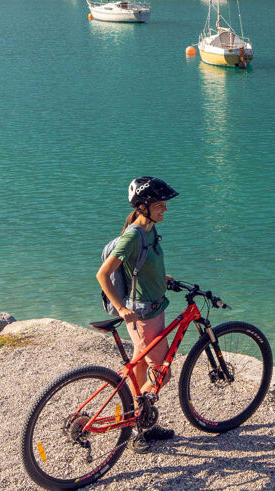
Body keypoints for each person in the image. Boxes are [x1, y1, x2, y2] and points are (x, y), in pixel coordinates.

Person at [95, 176, 181, 452]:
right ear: (143, 206)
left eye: (165, 203)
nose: (165, 208)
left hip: (155, 307)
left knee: (140, 368)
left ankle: (144, 422)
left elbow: (141, 266)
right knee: (161, 373)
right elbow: (103, 274)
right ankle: (135, 425)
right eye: (159, 204)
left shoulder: (152, 229)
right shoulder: (134, 235)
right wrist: (121, 308)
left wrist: (161, 278)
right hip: (143, 315)